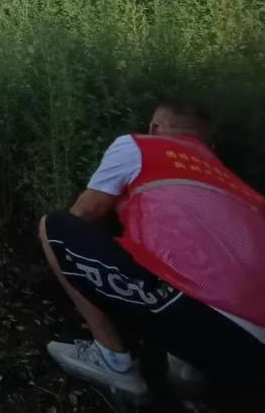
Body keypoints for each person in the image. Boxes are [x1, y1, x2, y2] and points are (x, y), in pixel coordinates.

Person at [39, 100, 265, 400]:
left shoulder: (139, 146)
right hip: (256, 347)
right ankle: (192, 370)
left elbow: (85, 213)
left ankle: (112, 360)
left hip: (203, 320)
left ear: (154, 128)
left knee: (56, 227)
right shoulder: (242, 188)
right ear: (208, 144)